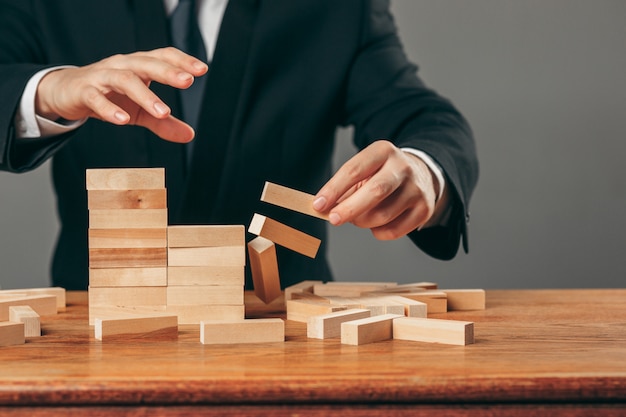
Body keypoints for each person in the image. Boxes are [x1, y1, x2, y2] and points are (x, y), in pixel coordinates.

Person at [0, 0, 478, 290]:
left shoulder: (337, 8)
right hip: (94, 332)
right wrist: (48, 89)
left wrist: (422, 170)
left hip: (282, 333)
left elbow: (423, 117)